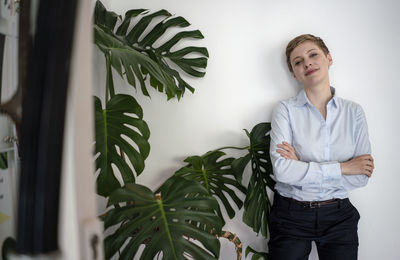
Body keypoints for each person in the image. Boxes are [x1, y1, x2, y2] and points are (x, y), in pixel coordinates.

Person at [268, 34, 374, 260]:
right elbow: (283, 171)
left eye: (313, 54)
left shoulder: (354, 112)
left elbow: (362, 175)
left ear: (329, 58)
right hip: (290, 215)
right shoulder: (285, 110)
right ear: (294, 73)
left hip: (339, 217)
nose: (307, 63)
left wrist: (302, 166)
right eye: (298, 62)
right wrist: (344, 167)